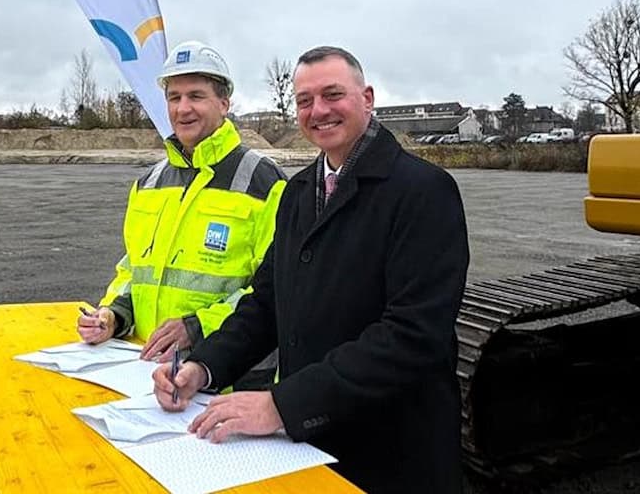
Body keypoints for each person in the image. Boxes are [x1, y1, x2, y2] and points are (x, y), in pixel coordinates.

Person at [153, 46, 469, 493]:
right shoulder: (299, 192)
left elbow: (413, 337)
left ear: (367, 98)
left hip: (392, 455)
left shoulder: (423, 191)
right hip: (310, 446)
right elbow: (267, 305)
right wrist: (204, 367)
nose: (318, 111)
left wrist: (282, 406)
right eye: (304, 101)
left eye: (332, 94)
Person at [78, 41, 286, 377]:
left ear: (224, 103)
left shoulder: (264, 183)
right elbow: (134, 271)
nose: (183, 108)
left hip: (228, 377)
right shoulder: (149, 183)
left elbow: (275, 289)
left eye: (196, 96)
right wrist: (113, 316)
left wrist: (197, 326)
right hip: (143, 373)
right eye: (174, 97)